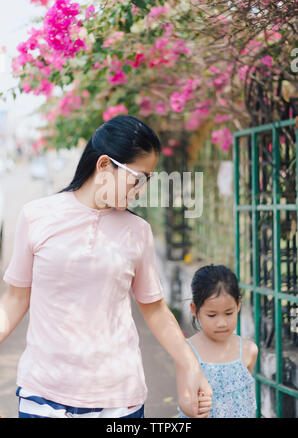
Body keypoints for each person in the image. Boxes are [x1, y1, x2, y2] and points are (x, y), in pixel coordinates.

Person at [0, 115, 212, 419]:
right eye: (137, 178)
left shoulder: (138, 231)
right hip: (42, 395)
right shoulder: (36, 217)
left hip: (119, 402)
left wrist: (189, 364)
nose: (140, 190)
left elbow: (154, 310)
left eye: (148, 180)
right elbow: (15, 299)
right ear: (103, 166)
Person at [178, 264, 258, 419]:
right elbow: (184, 399)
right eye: (212, 315)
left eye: (228, 313)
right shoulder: (187, 350)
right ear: (194, 309)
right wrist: (197, 409)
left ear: (239, 304)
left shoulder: (249, 350)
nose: (222, 323)